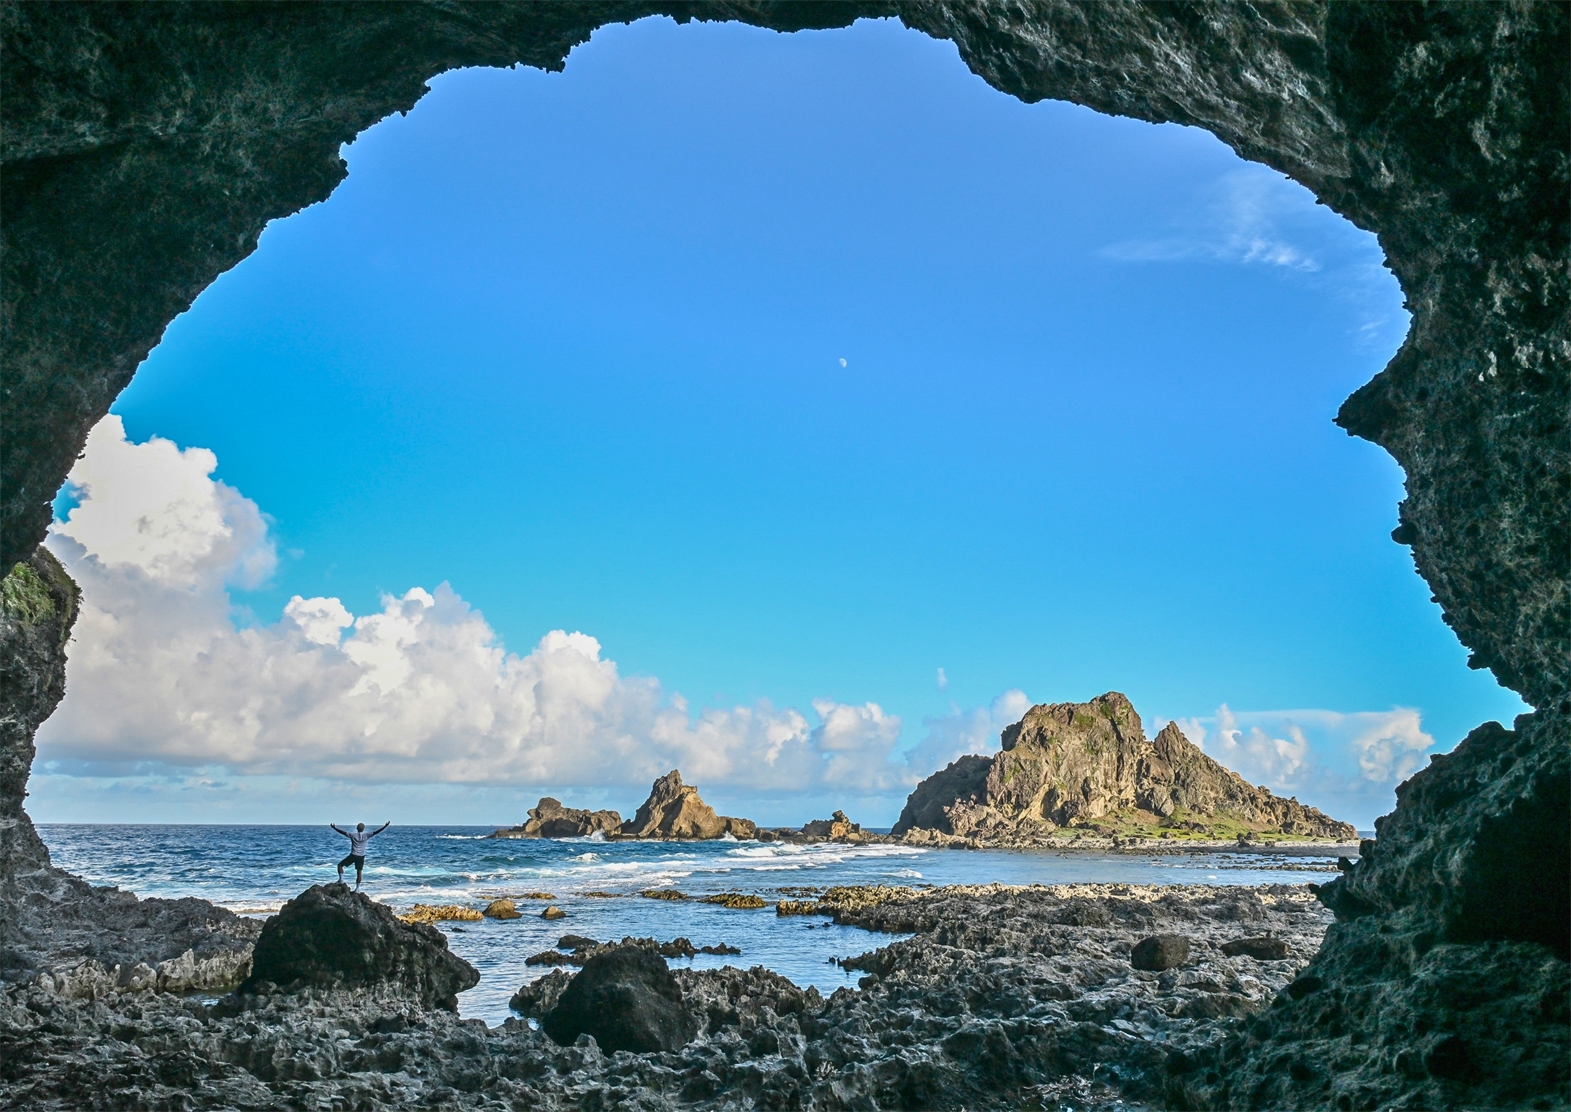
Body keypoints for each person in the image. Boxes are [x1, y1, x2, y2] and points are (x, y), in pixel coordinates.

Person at [330, 820, 390, 889]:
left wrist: (334, 828)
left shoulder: (352, 835)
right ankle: (357, 889)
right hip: (361, 857)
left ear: (357, 828)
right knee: (359, 872)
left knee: (340, 865)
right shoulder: (366, 835)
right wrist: (385, 826)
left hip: (353, 855)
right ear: (363, 829)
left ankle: (341, 880)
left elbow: (343, 832)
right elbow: (376, 832)